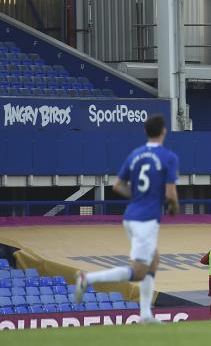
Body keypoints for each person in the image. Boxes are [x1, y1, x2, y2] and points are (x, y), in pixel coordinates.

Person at [74, 115, 179, 324]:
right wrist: (174, 207)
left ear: (146, 132)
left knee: (154, 260)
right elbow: (170, 194)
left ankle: (146, 315)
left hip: (131, 215)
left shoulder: (135, 154)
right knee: (139, 272)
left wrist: (138, 197)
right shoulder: (168, 157)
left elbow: (117, 185)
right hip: (146, 220)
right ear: (164, 131)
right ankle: (87, 279)